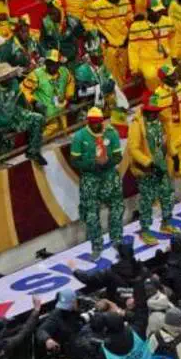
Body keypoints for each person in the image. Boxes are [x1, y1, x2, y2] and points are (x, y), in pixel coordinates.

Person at [69, 107, 124, 258]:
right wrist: (92, 165)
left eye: (97, 122)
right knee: (91, 214)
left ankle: (117, 240)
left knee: (117, 207)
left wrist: (107, 163)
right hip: (90, 178)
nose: (95, 125)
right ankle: (97, 245)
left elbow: (118, 156)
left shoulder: (111, 133)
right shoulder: (80, 136)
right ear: (88, 121)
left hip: (109, 175)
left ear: (101, 121)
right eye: (92, 122)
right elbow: (74, 160)